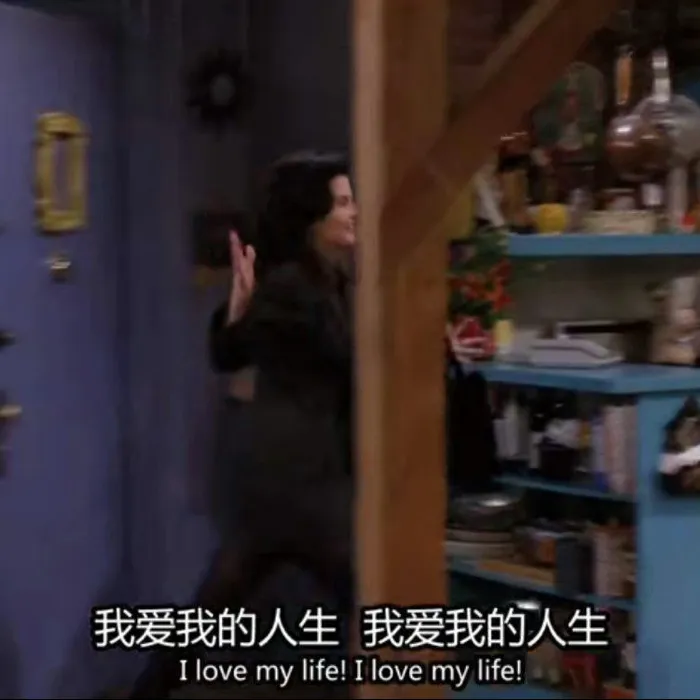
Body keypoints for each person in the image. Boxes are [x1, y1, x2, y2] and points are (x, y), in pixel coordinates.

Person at [128, 151, 356, 697]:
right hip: (298, 480)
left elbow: (232, 350)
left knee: (216, 603)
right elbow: (341, 361)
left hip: (290, 475)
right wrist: (239, 310)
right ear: (313, 216)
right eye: (344, 202)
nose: (355, 212)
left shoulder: (324, 280)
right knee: (377, 598)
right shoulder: (293, 286)